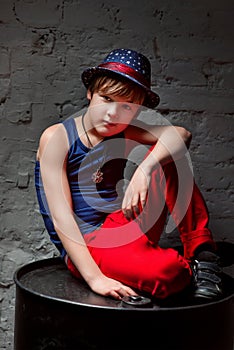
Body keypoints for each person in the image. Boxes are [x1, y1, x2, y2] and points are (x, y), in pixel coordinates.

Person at [35, 48, 222, 302]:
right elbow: (62, 219)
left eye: (126, 107)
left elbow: (181, 135)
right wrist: (94, 278)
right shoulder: (57, 138)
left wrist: (146, 169)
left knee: (168, 154)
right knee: (171, 274)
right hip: (88, 244)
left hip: (121, 222)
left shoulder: (119, 130)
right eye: (106, 98)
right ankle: (180, 267)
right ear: (90, 92)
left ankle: (202, 253)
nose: (112, 114)